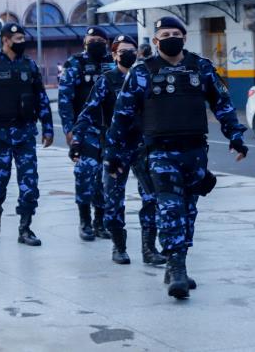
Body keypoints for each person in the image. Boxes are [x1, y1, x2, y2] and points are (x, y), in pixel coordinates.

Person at [105, 16, 247, 299]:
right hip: (159, 152)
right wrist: (114, 152)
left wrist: (235, 135)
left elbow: (222, 103)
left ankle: (177, 262)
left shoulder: (200, 67)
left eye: (175, 33)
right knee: (169, 209)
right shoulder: (142, 72)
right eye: (164, 34)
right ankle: (177, 268)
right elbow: (122, 115)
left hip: (194, 152)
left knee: (188, 211)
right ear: (155, 41)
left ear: (184, 37)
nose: (170, 37)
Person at [71, 35, 166, 265]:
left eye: (132, 50)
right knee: (114, 199)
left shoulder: (145, 77)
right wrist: (77, 141)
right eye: (123, 50)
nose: (128, 54)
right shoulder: (106, 80)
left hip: (143, 147)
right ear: (114, 55)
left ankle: (148, 248)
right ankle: (119, 246)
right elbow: (88, 111)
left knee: (151, 198)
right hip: (115, 148)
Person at [0, 23, 53, 246]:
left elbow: (41, 97)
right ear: (5, 40)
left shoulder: (29, 66)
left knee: (29, 182)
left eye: (23, 38)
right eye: (17, 38)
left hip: (25, 133)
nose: (21, 42)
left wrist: (48, 126)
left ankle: (25, 228)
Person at [59, 25, 114, 240]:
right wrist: (69, 129)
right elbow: (65, 99)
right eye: (92, 40)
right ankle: (85, 221)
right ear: (85, 42)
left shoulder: (113, 63)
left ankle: (100, 222)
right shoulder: (75, 64)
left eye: (100, 41)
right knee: (85, 173)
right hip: (85, 129)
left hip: (109, 129)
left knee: (105, 177)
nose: (96, 44)